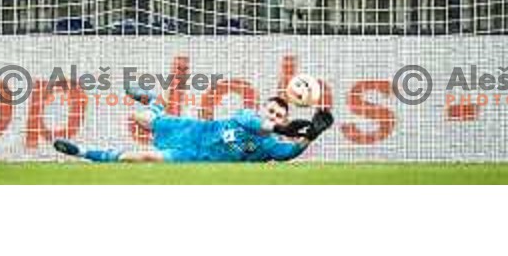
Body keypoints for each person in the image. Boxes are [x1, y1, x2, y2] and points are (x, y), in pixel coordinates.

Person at [53, 90, 334, 163]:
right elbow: (259, 125)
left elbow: (288, 153)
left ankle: (83, 152)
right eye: (270, 110)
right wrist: (283, 129)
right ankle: (154, 102)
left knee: (143, 157)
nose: (273, 115)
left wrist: (312, 134)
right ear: (263, 109)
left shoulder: (269, 145)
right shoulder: (247, 115)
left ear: (284, 119)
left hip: (193, 156)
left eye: (278, 115)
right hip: (190, 130)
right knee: (140, 118)